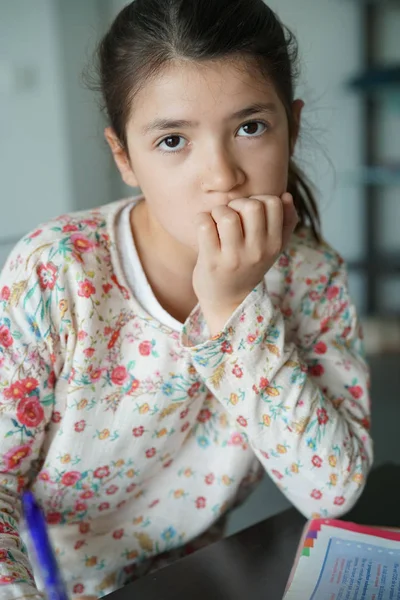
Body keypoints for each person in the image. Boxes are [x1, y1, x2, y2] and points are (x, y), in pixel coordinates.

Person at [0, 0, 372, 597]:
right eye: (173, 139)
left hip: (199, 578)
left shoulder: (308, 271)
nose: (222, 175)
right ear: (124, 156)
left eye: (250, 127)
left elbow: (333, 491)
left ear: (292, 127)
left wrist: (232, 308)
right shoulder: (56, 275)